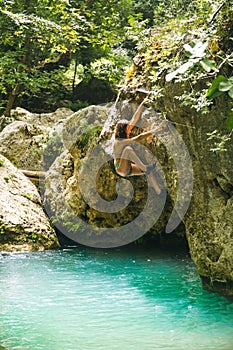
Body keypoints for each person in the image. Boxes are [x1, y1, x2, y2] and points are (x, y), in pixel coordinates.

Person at [113, 97, 162, 195]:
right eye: (127, 128)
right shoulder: (119, 142)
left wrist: (143, 102)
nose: (129, 129)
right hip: (120, 168)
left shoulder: (125, 133)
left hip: (128, 167)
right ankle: (145, 168)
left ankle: (159, 192)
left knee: (148, 171)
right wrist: (154, 131)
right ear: (123, 130)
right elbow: (138, 138)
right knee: (128, 149)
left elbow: (134, 118)